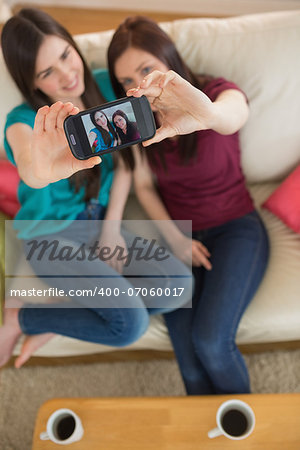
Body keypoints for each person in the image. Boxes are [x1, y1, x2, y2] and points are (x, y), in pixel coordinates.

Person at [0, 9, 192, 369]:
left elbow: (125, 165)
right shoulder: (22, 123)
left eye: (65, 56)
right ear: (31, 82)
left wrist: (110, 231)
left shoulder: (106, 85)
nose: (67, 74)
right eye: (47, 73)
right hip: (49, 238)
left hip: (99, 223)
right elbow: (31, 168)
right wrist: (41, 168)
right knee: (128, 326)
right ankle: (23, 318)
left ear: (74, 47)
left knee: (179, 286)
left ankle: (80, 312)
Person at [107, 16, 270, 395]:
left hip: (236, 227)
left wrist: (204, 114)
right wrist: (176, 240)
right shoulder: (137, 122)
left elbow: (232, 116)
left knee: (211, 342)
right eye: (127, 81)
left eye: (146, 69)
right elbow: (144, 186)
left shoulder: (215, 91)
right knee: (190, 359)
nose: (139, 86)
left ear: (169, 56)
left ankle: (241, 428)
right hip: (180, 237)